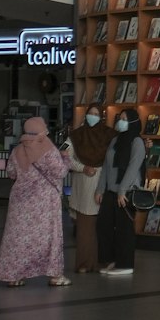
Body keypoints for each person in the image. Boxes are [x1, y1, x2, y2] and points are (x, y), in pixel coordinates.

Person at [0, 117, 71, 287]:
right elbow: (60, 172)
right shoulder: (48, 149)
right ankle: (55, 276)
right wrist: (65, 158)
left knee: (18, 239)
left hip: (20, 204)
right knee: (49, 238)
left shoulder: (17, 150)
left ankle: (14, 277)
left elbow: (11, 173)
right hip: (45, 204)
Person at [62, 104, 114, 273]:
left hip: (102, 184)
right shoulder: (76, 136)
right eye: (90, 114)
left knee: (102, 227)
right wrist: (82, 167)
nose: (92, 116)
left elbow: (122, 150)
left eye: (96, 114)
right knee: (85, 228)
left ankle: (101, 262)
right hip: (83, 187)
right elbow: (65, 156)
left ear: (101, 117)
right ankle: (84, 263)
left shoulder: (108, 135)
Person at [95, 106, 146, 276]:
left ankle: (125, 264)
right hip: (110, 190)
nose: (120, 122)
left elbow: (133, 167)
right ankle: (112, 260)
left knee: (124, 228)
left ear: (132, 122)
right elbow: (106, 166)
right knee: (104, 225)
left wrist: (122, 190)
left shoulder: (136, 141)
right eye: (120, 118)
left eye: (124, 119)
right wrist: (100, 188)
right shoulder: (115, 140)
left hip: (126, 192)